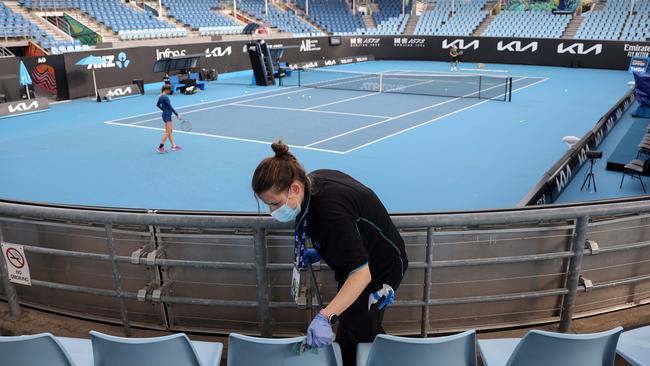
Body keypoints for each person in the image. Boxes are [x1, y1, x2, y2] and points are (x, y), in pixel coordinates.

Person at [252, 141, 408, 366]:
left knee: (353, 336)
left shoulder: (329, 212)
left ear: (294, 189)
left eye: (275, 204)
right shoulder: (312, 184)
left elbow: (362, 275)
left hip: (380, 268)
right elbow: (349, 231)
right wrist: (324, 250)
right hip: (359, 258)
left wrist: (325, 316)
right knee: (359, 322)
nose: (272, 212)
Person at [156, 84, 181, 154]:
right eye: (169, 90)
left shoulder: (160, 96)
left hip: (165, 114)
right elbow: (170, 107)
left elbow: (157, 105)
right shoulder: (165, 97)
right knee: (167, 132)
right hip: (167, 115)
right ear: (166, 90)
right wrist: (177, 114)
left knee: (170, 131)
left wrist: (164, 110)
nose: (170, 91)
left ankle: (174, 145)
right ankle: (160, 147)